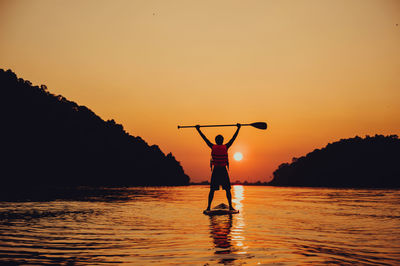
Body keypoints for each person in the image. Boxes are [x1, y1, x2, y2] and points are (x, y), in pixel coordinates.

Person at [195, 124, 241, 211]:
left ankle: (209, 207)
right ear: (221, 141)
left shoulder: (213, 146)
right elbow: (233, 138)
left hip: (217, 170)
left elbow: (204, 138)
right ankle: (229, 206)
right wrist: (238, 129)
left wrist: (198, 130)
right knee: (226, 189)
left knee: (215, 190)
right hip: (222, 170)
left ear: (216, 141)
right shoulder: (226, 146)